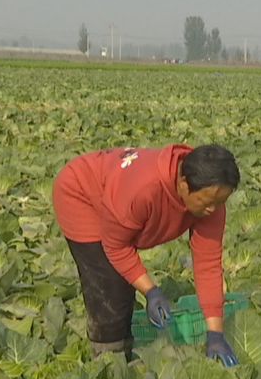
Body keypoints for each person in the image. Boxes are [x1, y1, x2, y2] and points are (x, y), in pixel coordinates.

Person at [52, 143, 241, 364]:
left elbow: (208, 264)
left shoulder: (211, 201)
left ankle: (125, 356)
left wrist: (215, 334)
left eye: (220, 203)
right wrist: (151, 291)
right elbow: (117, 247)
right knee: (110, 287)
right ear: (183, 183)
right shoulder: (145, 189)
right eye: (208, 203)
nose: (213, 210)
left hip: (116, 201)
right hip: (81, 194)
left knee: (123, 287)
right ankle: (107, 365)